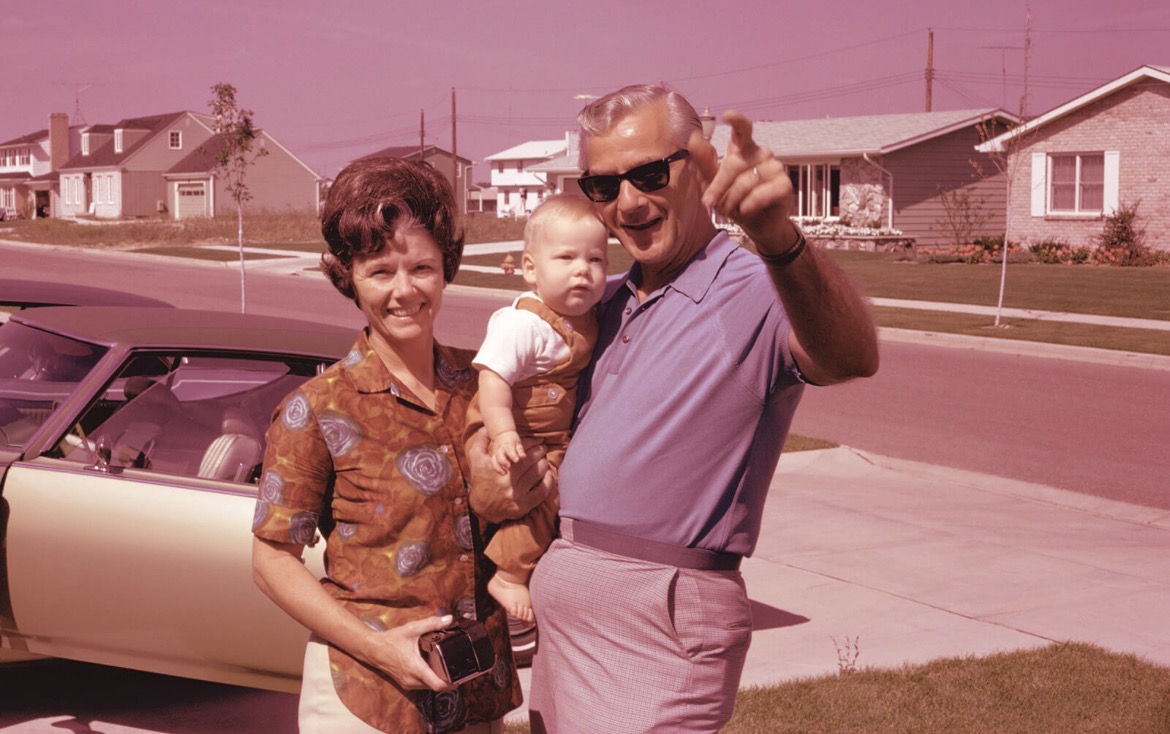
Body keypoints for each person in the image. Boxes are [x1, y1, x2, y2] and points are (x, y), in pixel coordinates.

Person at [470, 84, 881, 733]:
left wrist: (779, 239)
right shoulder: (596, 304)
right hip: (562, 619)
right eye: (603, 185)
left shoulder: (757, 288)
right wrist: (488, 460)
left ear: (699, 165)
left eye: (649, 174)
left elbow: (850, 357)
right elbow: (505, 402)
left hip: (661, 627)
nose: (628, 202)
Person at [251, 157, 535, 734]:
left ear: (446, 268)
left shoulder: (484, 389)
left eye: (422, 267)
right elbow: (270, 560)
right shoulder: (318, 408)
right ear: (349, 278)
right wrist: (381, 650)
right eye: (380, 271)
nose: (405, 290)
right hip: (368, 699)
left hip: (478, 698)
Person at [467, 194, 608, 624]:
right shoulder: (522, 323)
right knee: (545, 494)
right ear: (530, 268)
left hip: (550, 433)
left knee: (554, 495)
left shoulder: (590, 316)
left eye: (596, 259)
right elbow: (492, 380)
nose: (582, 269)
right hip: (515, 428)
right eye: (566, 257)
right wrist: (504, 434)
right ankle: (508, 575)